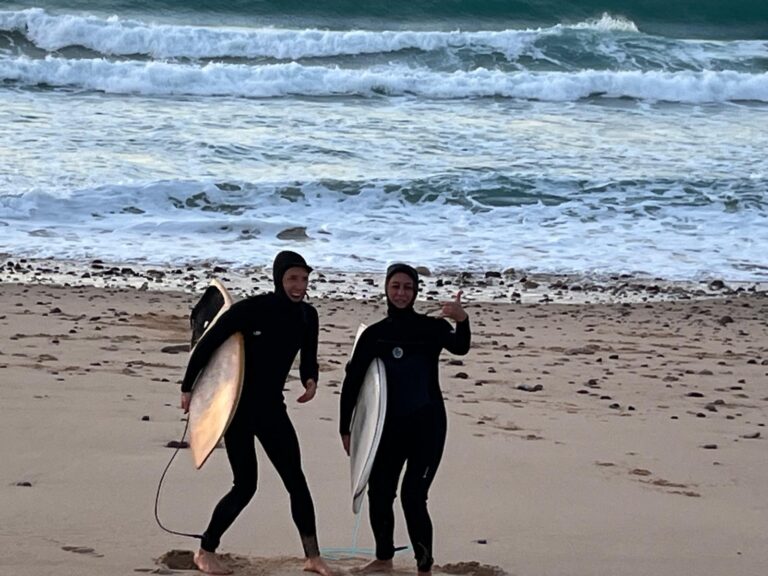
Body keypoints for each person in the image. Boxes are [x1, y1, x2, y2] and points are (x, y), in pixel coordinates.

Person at [181, 251, 333, 576]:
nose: (299, 285)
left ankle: (313, 557)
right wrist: (188, 388)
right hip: (237, 409)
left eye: (304, 279)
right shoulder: (252, 310)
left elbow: (309, 356)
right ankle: (206, 550)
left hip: (272, 409)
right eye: (293, 278)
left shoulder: (308, 316)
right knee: (245, 485)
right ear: (279, 278)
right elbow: (208, 344)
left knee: (296, 481)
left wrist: (311, 380)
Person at [339, 263, 471, 575]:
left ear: (415, 292)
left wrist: (462, 319)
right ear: (386, 288)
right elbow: (353, 380)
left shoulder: (432, 328)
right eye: (396, 286)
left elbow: (460, 347)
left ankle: (424, 567)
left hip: (428, 426)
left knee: (414, 497)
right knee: (380, 494)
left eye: (408, 287)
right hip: (388, 428)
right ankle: (384, 558)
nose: (401, 293)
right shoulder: (374, 335)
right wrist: (346, 428)